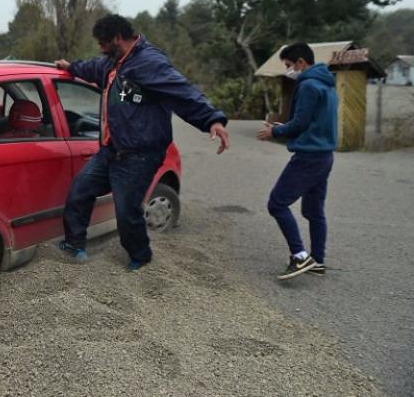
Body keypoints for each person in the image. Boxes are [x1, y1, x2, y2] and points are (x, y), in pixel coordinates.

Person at [54, 14, 229, 271]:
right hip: (112, 149)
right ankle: (74, 244)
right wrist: (71, 67)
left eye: (103, 43)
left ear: (117, 38)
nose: (101, 48)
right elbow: (92, 68)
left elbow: (183, 92)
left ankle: (140, 257)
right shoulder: (113, 62)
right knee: (80, 190)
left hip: (140, 154)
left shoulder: (150, 63)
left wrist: (212, 119)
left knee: (126, 211)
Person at [256, 42, 337, 280]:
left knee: (277, 203)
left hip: (308, 156)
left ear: (301, 62)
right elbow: (312, 122)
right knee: (314, 211)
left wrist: (275, 132)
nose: (289, 70)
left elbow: (300, 123)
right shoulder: (328, 84)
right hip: (325, 155)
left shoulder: (309, 85)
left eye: (290, 65)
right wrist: (287, 128)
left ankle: (300, 256)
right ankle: (318, 261)